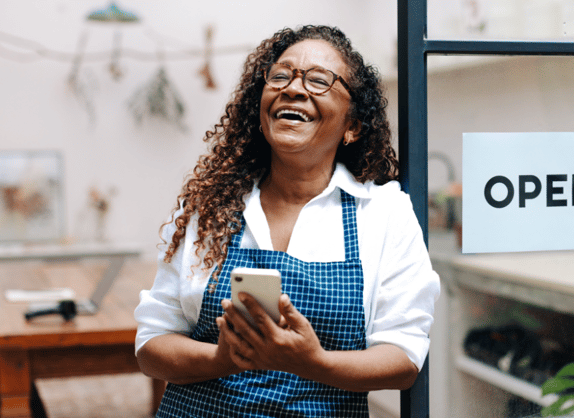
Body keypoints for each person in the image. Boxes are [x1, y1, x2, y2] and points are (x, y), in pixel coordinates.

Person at [134, 24, 440, 418]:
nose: (293, 88)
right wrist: (223, 359)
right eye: (280, 76)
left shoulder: (382, 213)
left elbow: (403, 360)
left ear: (353, 126)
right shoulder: (208, 208)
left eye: (319, 80)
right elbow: (152, 346)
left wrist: (314, 363)